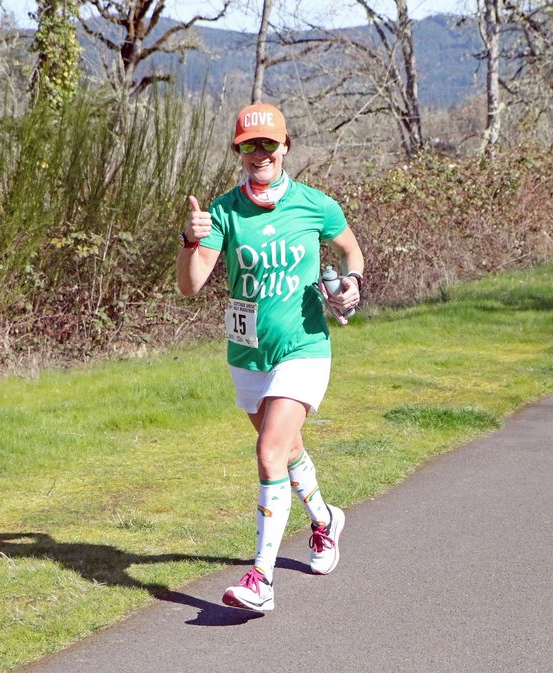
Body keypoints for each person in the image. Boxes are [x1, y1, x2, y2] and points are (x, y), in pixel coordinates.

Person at [176, 102, 364, 612]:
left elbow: (352, 252)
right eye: (248, 145)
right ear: (238, 151)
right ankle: (325, 521)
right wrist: (188, 241)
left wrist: (351, 285)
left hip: (305, 345)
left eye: (267, 144)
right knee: (286, 449)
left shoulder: (314, 205)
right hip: (248, 350)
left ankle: (261, 579)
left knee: (267, 454)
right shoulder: (222, 211)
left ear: (285, 146)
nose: (258, 153)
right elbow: (191, 285)